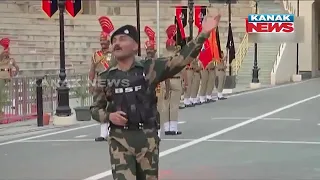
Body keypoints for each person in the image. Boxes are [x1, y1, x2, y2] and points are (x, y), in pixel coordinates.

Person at [90, 13, 220, 179]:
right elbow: (94, 109)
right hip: (119, 141)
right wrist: (109, 116)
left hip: (147, 139)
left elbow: (180, 60)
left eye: (122, 39)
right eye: (114, 40)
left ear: (135, 46)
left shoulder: (149, 68)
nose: (116, 43)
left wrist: (204, 34)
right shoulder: (105, 77)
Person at [88, 16, 115, 142]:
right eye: (101, 40)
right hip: (99, 82)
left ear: (109, 41)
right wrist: (90, 83)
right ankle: (103, 133)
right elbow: (92, 69)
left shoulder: (114, 54)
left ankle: (113, 130)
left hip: (112, 81)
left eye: (104, 40)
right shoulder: (96, 55)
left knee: (113, 106)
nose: (102, 42)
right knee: (99, 107)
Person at [159, 24, 182, 135]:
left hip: (164, 80)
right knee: (174, 104)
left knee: (165, 104)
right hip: (176, 79)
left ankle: (166, 127)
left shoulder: (163, 56)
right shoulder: (177, 55)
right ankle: (173, 127)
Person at [0, 38, 19, 112]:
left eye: (8, 52)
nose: (7, 53)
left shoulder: (11, 60)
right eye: (6, 52)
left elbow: (17, 67)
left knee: (8, 92)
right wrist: (3, 52)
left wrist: (15, 73)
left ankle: (11, 104)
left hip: (8, 78)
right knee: (1, 93)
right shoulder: (1, 59)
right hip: (1, 77)